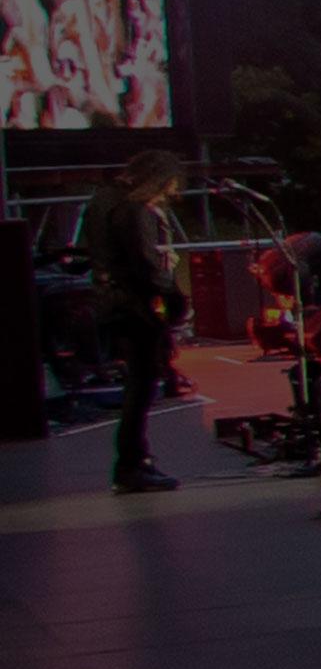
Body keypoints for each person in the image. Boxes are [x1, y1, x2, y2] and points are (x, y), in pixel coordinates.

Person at [85, 149, 185, 494]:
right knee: (142, 383)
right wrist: (172, 295)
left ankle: (135, 460)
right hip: (134, 305)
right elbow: (143, 263)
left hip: (110, 300)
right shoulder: (131, 209)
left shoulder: (101, 199)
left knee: (138, 382)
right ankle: (131, 464)